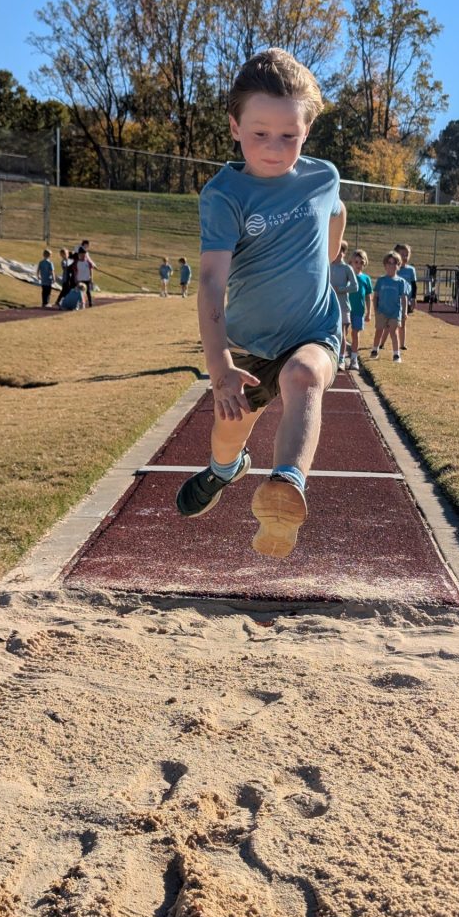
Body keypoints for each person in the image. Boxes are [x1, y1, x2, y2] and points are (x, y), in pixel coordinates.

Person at [175, 47, 346, 559]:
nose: (275, 148)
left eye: (289, 136)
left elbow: (335, 212)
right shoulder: (225, 195)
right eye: (260, 134)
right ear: (234, 125)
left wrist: (331, 251)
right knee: (228, 438)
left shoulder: (324, 177)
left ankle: (286, 488)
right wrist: (219, 366)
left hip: (311, 332)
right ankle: (226, 469)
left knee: (303, 377)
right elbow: (210, 281)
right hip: (245, 348)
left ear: (307, 131)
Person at [370, 250, 410, 363]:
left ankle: (396, 354)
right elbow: (376, 296)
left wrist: (405, 312)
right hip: (382, 311)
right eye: (389, 263)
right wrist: (376, 309)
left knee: (393, 332)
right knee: (379, 331)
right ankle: (374, 349)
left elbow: (403, 298)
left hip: (395, 312)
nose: (391, 266)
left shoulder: (401, 282)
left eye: (394, 263)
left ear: (398, 266)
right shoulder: (381, 280)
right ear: (385, 265)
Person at [330, 240, 358, 370]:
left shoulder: (347, 268)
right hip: (328, 305)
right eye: (336, 249)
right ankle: (331, 358)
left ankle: (341, 359)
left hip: (343, 306)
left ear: (344, 253)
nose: (338, 253)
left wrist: (340, 289)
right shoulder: (327, 265)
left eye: (341, 250)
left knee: (342, 333)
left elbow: (355, 287)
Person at [347, 249, 373, 371]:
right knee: (343, 333)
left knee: (355, 334)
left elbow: (368, 296)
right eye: (356, 262)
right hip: (346, 309)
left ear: (364, 263)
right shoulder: (347, 275)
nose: (358, 265)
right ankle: (340, 357)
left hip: (359, 310)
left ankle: (353, 359)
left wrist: (369, 312)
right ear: (351, 262)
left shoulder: (366, 278)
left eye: (361, 262)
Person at [395, 243, 417, 351]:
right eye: (402, 254)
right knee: (390, 323)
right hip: (393, 299)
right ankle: (382, 342)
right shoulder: (394, 268)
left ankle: (402, 344)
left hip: (405, 300)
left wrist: (413, 298)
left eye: (407, 254)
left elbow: (414, 285)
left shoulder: (411, 270)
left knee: (403, 321)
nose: (404, 257)